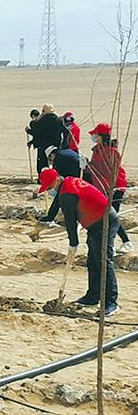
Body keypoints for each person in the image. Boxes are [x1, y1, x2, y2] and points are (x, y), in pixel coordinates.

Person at [38, 168, 120, 316]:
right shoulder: (68, 181)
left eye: (49, 187)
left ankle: (111, 302)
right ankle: (93, 296)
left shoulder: (67, 193)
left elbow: (70, 220)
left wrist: (73, 243)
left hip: (104, 221)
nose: (50, 191)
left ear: (56, 180)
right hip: (96, 223)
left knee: (103, 261)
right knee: (93, 261)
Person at [86, 123, 133, 253]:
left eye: (95, 135)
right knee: (108, 215)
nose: (94, 137)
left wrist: (88, 167)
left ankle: (126, 242)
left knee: (112, 215)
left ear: (101, 136)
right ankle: (113, 242)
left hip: (115, 187)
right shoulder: (98, 150)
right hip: (105, 187)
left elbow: (104, 170)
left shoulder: (111, 152)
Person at [30, 103, 65, 174]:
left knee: (42, 163)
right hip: (55, 145)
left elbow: (34, 130)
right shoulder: (59, 120)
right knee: (55, 162)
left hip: (43, 146)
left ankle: (42, 178)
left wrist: (29, 128)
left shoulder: (41, 121)